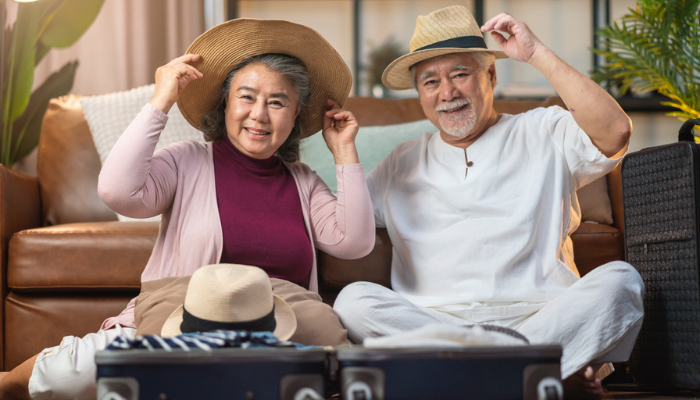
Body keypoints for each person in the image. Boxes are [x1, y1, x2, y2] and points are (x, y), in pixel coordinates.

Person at [0, 18, 374, 400]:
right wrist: (161, 100)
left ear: (295, 116)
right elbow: (118, 192)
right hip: (181, 323)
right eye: (246, 96)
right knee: (73, 373)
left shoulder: (304, 181)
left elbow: (355, 243)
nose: (260, 114)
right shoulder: (187, 161)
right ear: (225, 102)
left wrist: (344, 151)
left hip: (281, 330)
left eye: (277, 102)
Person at [333, 5, 643, 398]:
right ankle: (531, 374)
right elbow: (345, 224)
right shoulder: (401, 162)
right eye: (431, 82)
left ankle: (477, 378)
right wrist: (342, 150)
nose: (447, 93)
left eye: (460, 74)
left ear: (490, 74)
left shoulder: (543, 128)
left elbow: (615, 132)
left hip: (540, 317)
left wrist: (536, 53)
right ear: (420, 94)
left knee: (622, 282)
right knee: (354, 301)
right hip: (437, 328)